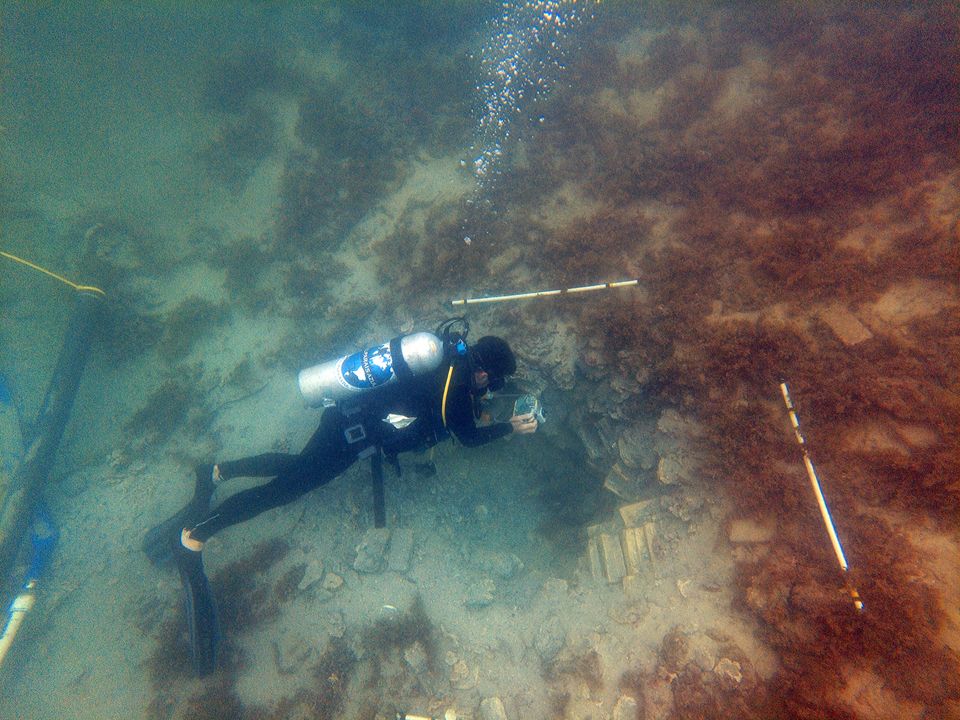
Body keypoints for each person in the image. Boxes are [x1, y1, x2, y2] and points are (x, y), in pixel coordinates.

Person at [144, 322, 538, 676]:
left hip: (346, 419)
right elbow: (468, 437)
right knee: (284, 490)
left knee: (298, 469)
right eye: (491, 383)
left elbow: (438, 406)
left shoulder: (445, 355)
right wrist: (510, 427)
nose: (489, 389)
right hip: (349, 436)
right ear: (483, 372)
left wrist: (478, 408)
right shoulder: (456, 388)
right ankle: (194, 536)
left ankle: (216, 472)